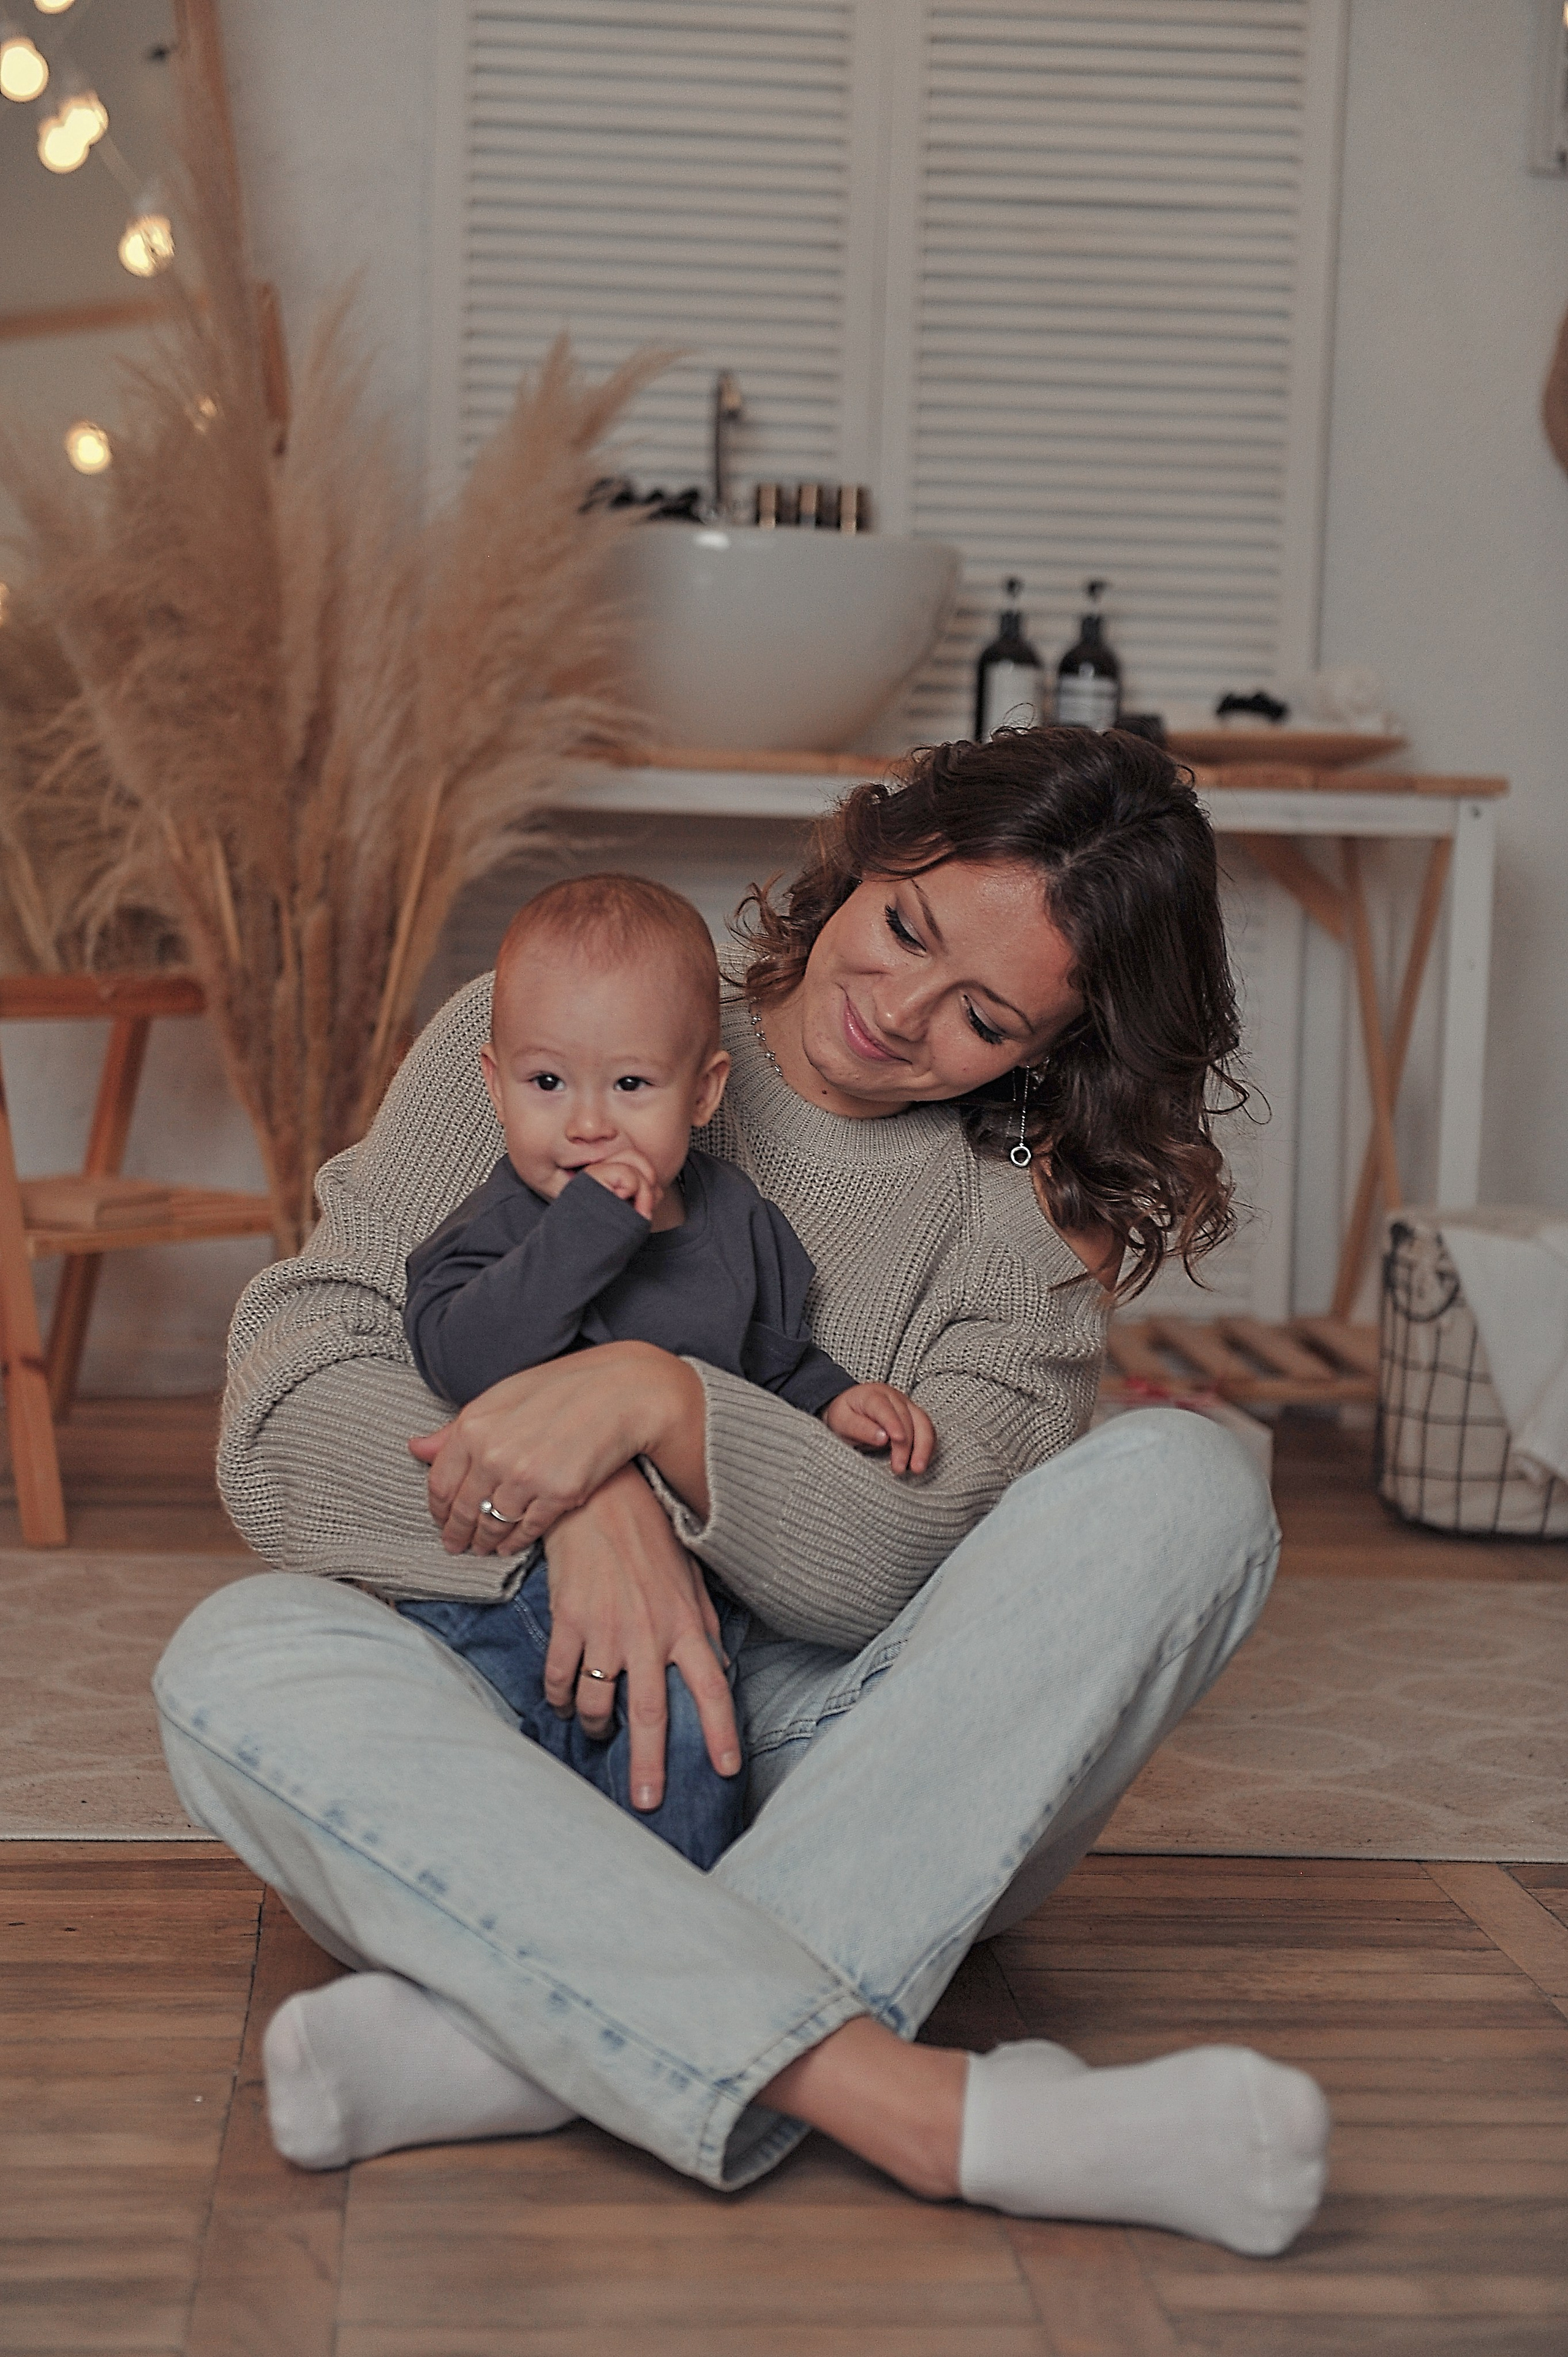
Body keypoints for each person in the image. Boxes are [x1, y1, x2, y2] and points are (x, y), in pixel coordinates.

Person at [154, 727, 1331, 2257]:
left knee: (1192, 1480)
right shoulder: (563, 1020)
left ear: (1054, 1045)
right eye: (902, 926)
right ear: (871, 852)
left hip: (826, 1761)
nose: (895, 1011)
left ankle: (526, 2030)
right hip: (508, 1701)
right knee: (236, 1662)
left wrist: (653, 1402)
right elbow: (291, 1402)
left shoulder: (1024, 1219)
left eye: (980, 1015)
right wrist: (586, 1503)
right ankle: (924, 2110)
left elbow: (895, 1563)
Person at [399, 872, 933, 1869]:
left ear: (705, 1093)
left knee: (688, 1756)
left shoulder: (740, 1227)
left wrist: (840, 1399)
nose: (587, 1125)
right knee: (472, 1769)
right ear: (493, 1081)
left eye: (630, 1086)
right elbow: (458, 1355)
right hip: (496, 1593)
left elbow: (771, 1365)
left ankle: (672, 1950)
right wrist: (589, 1233)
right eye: (547, 1084)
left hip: (684, 1601)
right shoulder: (504, 1224)